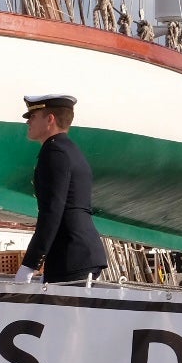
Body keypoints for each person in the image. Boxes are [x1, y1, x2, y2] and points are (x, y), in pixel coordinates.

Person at [16, 94, 107, 285]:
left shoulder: (54, 153)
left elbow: (52, 211)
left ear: (50, 120)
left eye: (33, 117)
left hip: (71, 257)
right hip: (79, 254)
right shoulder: (70, 150)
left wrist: (30, 265)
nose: (28, 122)